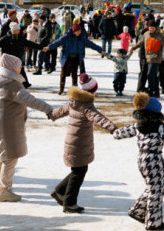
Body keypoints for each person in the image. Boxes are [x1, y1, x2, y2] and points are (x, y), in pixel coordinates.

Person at [112, 93, 164, 231]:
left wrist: (115, 131)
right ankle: (153, 222)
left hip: (141, 159)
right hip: (154, 159)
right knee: (156, 191)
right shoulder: (158, 127)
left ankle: (137, 211)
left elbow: (119, 133)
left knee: (151, 187)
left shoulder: (137, 125)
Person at [0, 54, 53, 202]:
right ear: (13, 68)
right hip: (8, 126)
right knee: (10, 158)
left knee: (6, 155)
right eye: (19, 65)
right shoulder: (12, 85)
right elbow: (30, 100)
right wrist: (49, 110)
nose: (20, 68)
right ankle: (4, 191)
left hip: (0, 124)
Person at [47, 74, 118, 213]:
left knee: (77, 170)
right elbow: (99, 118)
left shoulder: (74, 101)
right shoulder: (86, 106)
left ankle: (59, 191)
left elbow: (61, 111)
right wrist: (113, 128)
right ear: (92, 91)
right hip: (79, 144)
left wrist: (52, 114)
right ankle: (69, 203)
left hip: (72, 142)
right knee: (79, 171)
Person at [45, 23, 104, 95]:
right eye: (77, 31)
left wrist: (100, 50)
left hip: (76, 57)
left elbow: (91, 44)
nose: (79, 32)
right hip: (66, 57)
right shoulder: (67, 37)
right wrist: (49, 47)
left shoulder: (82, 38)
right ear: (73, 31)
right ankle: (61, 89)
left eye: (80, 31)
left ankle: (74, 89)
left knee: (74, 73)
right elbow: (57, 42)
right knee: (63, 73)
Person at [129, 21, 164, 98]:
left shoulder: (160, 36)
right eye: (150, 28)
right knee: (153, 76)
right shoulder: (146, 34)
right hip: (147, 57)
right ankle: (156, 92)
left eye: (152, 28)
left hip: (156, 58)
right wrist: (133, 48)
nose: (151, 29)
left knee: (150, 74)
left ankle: (151, 91)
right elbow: (140, 43)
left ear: (155, 28)